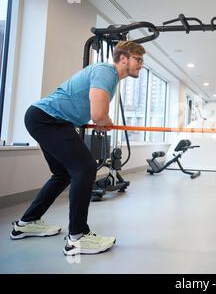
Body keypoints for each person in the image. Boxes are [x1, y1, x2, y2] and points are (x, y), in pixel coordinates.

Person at [10, 41, 146, 255]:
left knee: (63, 173)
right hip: (48, 119)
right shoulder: (106, 71)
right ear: (123, 58)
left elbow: (91, 111)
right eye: (138, 59)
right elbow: (99, 115)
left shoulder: (108, 77)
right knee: (85, 168)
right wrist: (105, 120)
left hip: (47, 119)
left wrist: (102, 120)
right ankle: (78, 237)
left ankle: (26, 223)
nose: (141, 65)